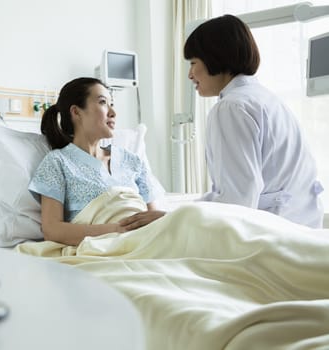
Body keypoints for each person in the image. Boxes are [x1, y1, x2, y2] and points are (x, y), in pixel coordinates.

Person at [184, 14, 324, 228]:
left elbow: (236, 201)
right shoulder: (266, 99)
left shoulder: (231, 108)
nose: (190, 74)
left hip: (271, 235)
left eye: (193, 63)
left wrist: (176, 219)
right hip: (303, 226)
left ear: (215, 57)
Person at [28, 77, 165, 245]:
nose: (113, 112)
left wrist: (166, 218)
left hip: (148, 241)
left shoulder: (132, 161)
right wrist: (117, 230)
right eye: (103, 102)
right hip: (106, 247)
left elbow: (155, 220)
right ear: (76, 112)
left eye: (112, 104)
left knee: (194, 216)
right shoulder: (58, 162)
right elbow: (52, 230)